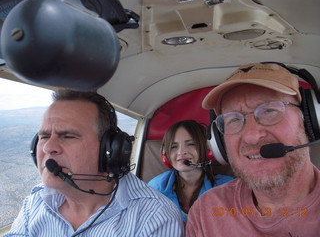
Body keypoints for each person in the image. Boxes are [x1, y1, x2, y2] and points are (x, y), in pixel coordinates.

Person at [5, 89, 184, 237]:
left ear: (110, 151)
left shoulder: (155, 218)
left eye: (68, 136)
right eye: (44, 136)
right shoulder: (36, 202)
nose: (48, 148)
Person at [186, 63, 320, 236]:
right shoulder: (206, 212)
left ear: (311, 121)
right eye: (233, 120)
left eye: (270, 110)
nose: (251, 136)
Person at [148, 120, 233, 223]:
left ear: (207, 149)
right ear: (165, 155)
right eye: (174, 146)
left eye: (191, 144)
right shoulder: (154, 188)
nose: (181, 152)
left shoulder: (228, 188)